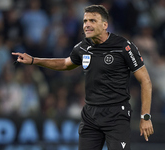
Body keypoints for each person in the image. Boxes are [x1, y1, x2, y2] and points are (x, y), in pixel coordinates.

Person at [12, 5, 154, 150]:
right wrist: (34, 60)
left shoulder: (124, 47)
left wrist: (145, 117)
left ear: (105, 25)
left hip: (116, 114)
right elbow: (65, 63)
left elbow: (146, 81)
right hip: (90, 115)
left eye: (92, 20)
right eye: (85, 21)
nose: (87, 25)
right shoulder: (82, 47)